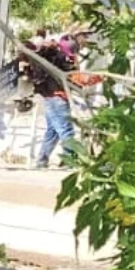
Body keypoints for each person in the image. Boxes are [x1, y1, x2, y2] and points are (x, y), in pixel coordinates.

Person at [19, 32, 79, 169]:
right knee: (66, 130)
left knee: (52, 131)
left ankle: (41, 160)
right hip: (57, 96)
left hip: (49, 96)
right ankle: (70, 161)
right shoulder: (60, 57)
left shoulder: (45, 57)